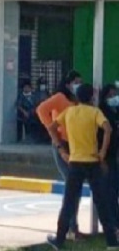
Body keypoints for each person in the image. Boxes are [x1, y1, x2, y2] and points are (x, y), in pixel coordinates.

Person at [45, 83, 118, 250]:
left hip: (75, 162)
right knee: (102, 202)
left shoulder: (69, 112)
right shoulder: (95, 112)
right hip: (93, 162)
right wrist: (102, 152)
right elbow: (108, 129)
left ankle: (59, 239)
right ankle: (112, 242)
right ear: (91, 97)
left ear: (77, 97)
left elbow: (51, 128)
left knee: (68, 202)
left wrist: (61, 149)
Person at [36, 70, 83, 239]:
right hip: (61, 144)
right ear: (68, 82)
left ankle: (72, 227)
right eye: (76, 81)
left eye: (80, 82)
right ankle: (70, 228)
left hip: (75, 145)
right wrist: (52, 128)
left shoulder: (77, 101)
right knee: (72, 185)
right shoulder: (60, 98)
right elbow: (41, 110)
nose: (78, 85)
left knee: (75, 186)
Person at [100, 83, 119, 228]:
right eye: (110, 96)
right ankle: (114, 224)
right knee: (111, 192)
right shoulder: (102, 112)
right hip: (110, 157)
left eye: (115, 95)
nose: (113, 98)